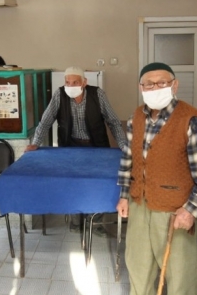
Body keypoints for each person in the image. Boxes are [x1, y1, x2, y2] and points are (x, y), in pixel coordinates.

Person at [116, 62, 197, 295]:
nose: (155, 88)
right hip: (139, 204)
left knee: (179, 274)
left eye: (162, 83)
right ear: (141, 87)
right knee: (138, 267)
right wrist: (124, 196)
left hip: (175, 210)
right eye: (149, 84)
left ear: (174, 85)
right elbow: (128, 160)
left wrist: (191, 211)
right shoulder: (136, 118)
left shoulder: (191, 121)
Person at [27, 66, 128, 235]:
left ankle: (96, 222)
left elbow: (113, 122)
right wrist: (35, 143)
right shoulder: (59, 95)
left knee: (97, 184)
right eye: (68, 82)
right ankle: (76, 222)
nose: (71, 85)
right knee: (72, 184)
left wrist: (124, 146)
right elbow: (46, 121)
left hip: (96, 147)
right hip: (70, 147)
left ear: (84, 82)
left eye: (75, 82)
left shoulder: (98, 94)